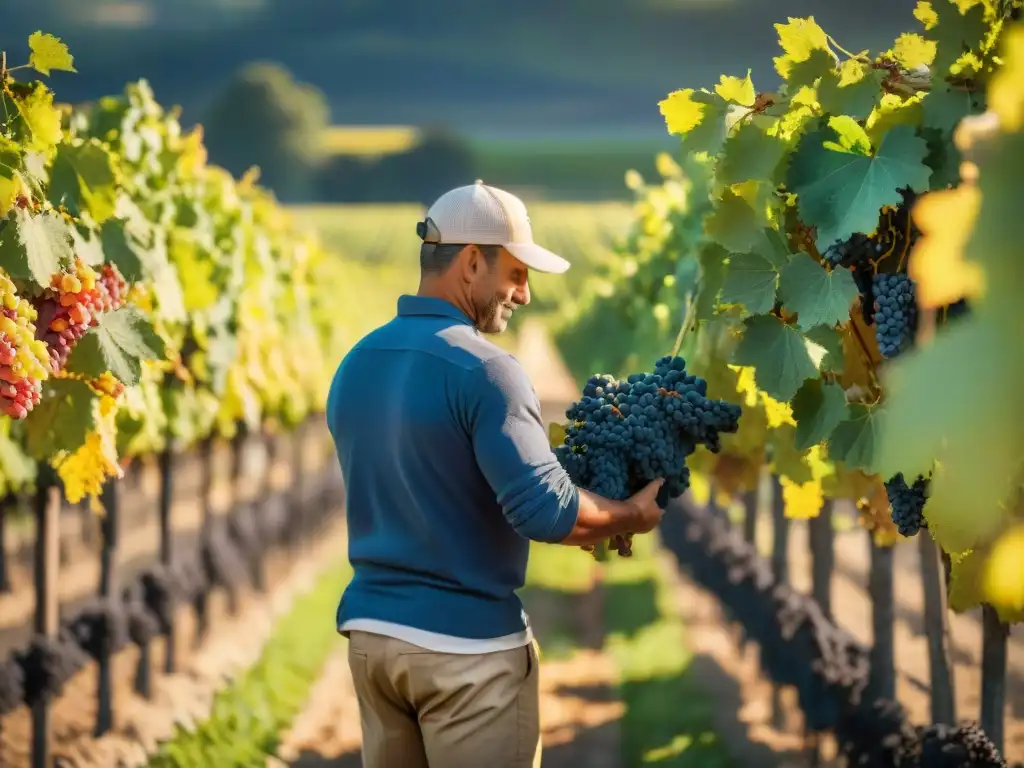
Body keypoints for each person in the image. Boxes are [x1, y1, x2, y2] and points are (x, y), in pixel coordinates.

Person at [325, 180, 665, 768]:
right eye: (516, 273)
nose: (525, 294)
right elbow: (547, 510)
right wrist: (632, 514)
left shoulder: (356, 362)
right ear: (471, 260)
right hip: (466, 654)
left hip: (373, 641)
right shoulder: (486, 371)